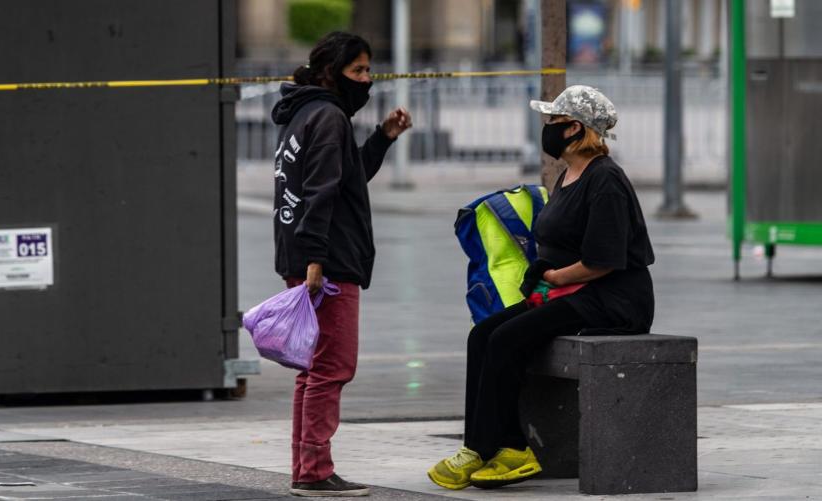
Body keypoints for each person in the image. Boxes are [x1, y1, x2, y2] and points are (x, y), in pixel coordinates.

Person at [428, 85, 655, 490]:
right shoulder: (568, 175)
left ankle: (513, 449)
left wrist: (554, 279)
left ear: (574, 129)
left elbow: (604, 261)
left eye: (554, 121)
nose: (547, 128)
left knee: (507, 339)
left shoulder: (606, 180)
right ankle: (478, 448)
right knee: (483, 335)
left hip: (612, 299)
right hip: (575, 292)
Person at [271, 32, 412, 497]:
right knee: (331, 367)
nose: (367, 80)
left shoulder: (305, 113)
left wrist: (383, 138)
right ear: (333, 72)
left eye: (369, 70)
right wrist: (317, 260)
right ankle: (314, 472)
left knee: (311, 370)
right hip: (326, 263)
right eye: (359, 71)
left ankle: (305, 467)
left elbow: (346, 177)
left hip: (308, 257)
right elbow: (322, 193)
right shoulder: (328, 117)